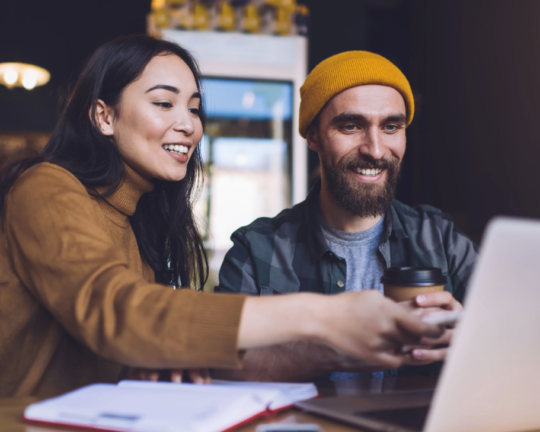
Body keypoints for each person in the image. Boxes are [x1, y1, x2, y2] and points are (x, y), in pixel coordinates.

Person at [0, 37, 443, 398]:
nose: (189, 124)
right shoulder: (46, 187)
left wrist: (168, 354)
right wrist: (326, 315)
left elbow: (127, 347)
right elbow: (117, 313)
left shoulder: (137, 222)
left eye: (193, 108)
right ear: (104, 116)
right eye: (164, 103)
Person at [215, 51, 478, 381]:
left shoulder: (441, 239)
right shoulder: (257, 250)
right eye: (351, 126)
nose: (376, 149)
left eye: (391, 126)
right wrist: (336, 348)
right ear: (313, 136)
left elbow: (517, 336)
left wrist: (470, 334)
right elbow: (222, 363)